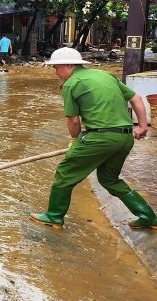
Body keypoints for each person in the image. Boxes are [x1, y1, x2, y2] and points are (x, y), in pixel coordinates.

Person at [30, 47, 157, 229]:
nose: (56, 72)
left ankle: (54, 216)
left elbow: (74, 122)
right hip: (124, 138)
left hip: (99, 138)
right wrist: (143, 126)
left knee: (65, 173)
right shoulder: (104, 76)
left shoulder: (70, 84)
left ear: (68, 65)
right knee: (109, 179)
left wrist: (76, 139)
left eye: (56, 67)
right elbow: (136, 98)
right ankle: (148, 217)